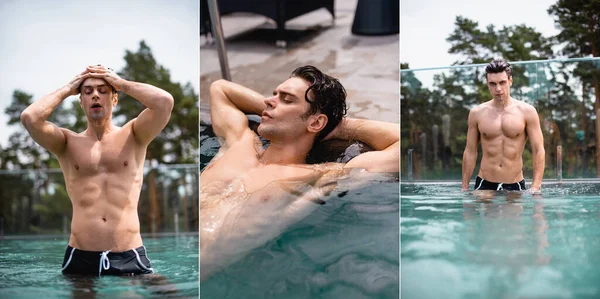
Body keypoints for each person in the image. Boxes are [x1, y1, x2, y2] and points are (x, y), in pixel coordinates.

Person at [200, 65, 399, 280]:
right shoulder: (239, 143)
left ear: (316, 122)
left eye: (287, 99)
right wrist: (275, 112)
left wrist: (338, 125)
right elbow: (220, 89)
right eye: (275, 94)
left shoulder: (319, 177)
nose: (269, 100)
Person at [20, 65, 174, 276]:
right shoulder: (66, 142)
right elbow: (30, 117)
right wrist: (68, 88)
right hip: (80, 256)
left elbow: (164, 102)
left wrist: (121, 83)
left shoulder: (135, 134)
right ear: (80, 100)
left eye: (103, 90)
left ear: (114, 99)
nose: (95, 96)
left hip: (129, 254)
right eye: (88, 91)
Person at [462, 59, 545, 193]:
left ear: (510, 81)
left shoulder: (527, 112)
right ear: (487, 84)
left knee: (514, 213)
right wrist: (464, 187)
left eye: (502, 82)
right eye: (493, 84)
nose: (498, 89)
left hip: (515, 184)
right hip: (484, 183)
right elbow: (470, 151)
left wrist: (536, 186)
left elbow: (538, 150)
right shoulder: (477, 113)